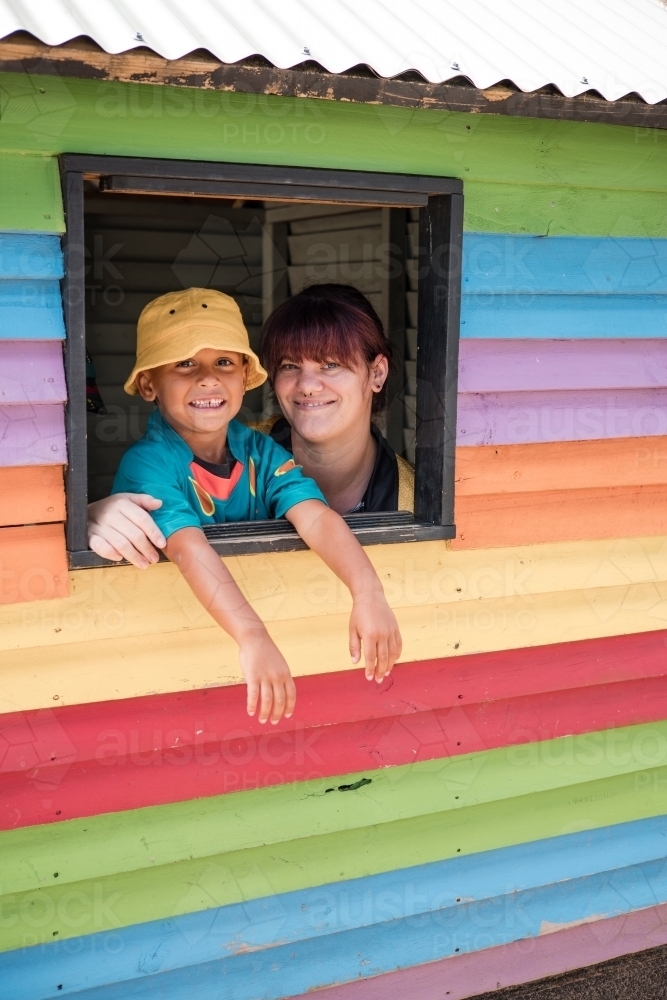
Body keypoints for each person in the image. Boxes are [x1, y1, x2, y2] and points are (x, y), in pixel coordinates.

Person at [110, 287, 401, 725]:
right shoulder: (148, 463)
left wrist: (367, 592)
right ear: (149, 383)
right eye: (185, 363)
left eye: (224, 362)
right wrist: (253, 635)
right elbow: (188, 548)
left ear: (245, 375)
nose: (207, 378)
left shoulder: (259, 451)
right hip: (181, 672)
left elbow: (317, 517)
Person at [89, 283, 413, 561]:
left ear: (377, 373)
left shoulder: (414, 497)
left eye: (330, 365)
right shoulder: (229, 448)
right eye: (289, 366)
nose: (308, 384)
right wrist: (91, 517)